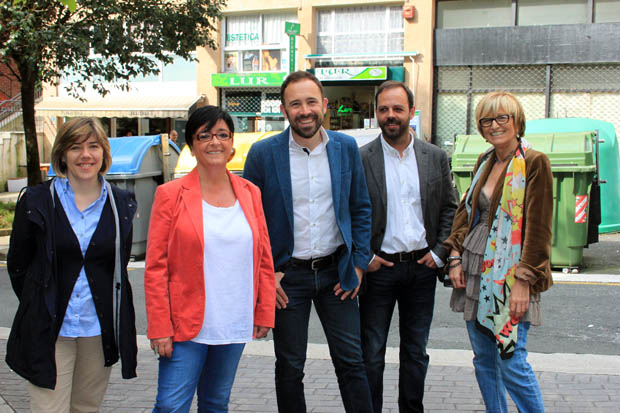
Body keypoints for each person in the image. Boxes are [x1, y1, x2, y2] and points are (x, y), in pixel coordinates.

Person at [243, 71, 374, 413]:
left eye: (311, 101)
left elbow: (360, 208)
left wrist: (359, 265)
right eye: (295, 104)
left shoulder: (346, 148)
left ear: (324, 106)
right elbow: (251, 222)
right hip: (288, 279)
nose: (304, 110)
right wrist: (265, 275)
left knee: (351, 363)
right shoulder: (262, 154)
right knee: (290, 367)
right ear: (284, 110)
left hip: (337, 275)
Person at [145, 105, 276, 412]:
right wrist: (160, 327)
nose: (214, 142)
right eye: (204, 135)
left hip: (233, 319)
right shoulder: (170, 194)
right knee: (170, 405)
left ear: (232, 145)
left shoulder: (250, 193)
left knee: (217, 403)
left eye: (222, 135)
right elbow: (155, 267)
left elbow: (264, 259)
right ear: (192, 144)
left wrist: (264, 312)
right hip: (184, 324)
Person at [6, 117, 138, 412]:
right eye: (75, 147)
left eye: (93, 146)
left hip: (97, 328)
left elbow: (116, 266)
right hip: (51, 329)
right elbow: (18, 266)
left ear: (104, 152)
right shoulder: (37, 201)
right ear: (62, 154)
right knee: (47, 408)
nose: (85, 155)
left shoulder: (121, 204)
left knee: (86, 407)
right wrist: (42, 302)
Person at [444, 91, 553, 413]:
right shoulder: (485, 160)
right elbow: (465, 213)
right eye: (486, 120)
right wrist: (454, 257)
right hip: (476, 268)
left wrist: (524, 281)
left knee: (511, 361)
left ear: (516, 120)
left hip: (510, 273)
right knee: (484, 360)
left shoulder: (534, 162)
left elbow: (540, 227)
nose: (494, 125)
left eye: (502, 117)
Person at [359, 81, 458, 413]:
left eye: (398, 109)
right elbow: (349, 212)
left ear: (411, 113)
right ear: (376, 114)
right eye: (384, 109)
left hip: (421, 269)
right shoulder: (361, 159)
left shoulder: (435, 157)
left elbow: (450, 208)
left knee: (416, 351)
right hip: (379, 270)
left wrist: (440, 252)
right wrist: (365, 256)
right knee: (371, 352)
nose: (391, 116)